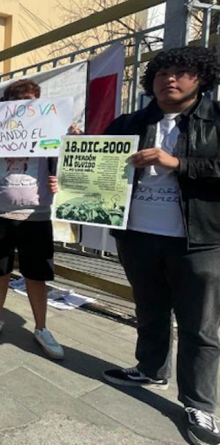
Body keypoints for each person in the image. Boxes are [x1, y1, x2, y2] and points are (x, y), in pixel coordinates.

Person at [99, 46, 220, 445]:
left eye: (182, 71)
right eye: (162, 72)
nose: (170, 79)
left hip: (199, 241)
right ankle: (150, 369)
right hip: (137, 235)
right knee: (149, 309)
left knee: (199, 326)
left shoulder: (216, 120)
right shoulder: (127, 123)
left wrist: (178, 164)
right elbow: (102, 168)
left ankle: (200, 405)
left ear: (200, 78)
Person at [0, 79, 64, 360]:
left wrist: (67, 160)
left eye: (30, 101)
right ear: (8, 104)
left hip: (37, 215)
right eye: (18, 101)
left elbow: (67, 173)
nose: (24, 107)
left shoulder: (53, 129)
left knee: (37, 275)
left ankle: (41, 328)